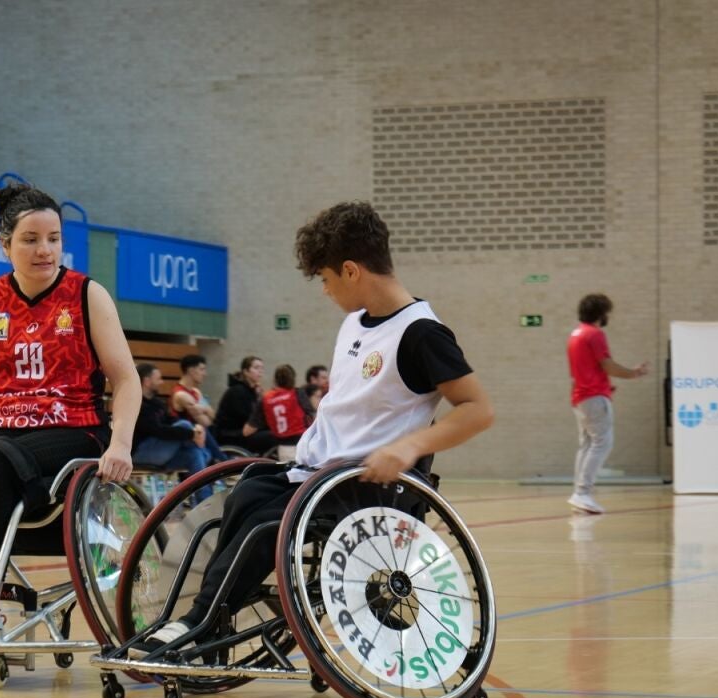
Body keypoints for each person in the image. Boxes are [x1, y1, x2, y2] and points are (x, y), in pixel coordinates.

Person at [131, 200, 494, 655]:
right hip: (316, 473)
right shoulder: (354, 323)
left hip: (365, 483)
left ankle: (198, 621)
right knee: (247, 492)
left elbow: (478, 409)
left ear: (351, 271)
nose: (324, 290)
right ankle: (216, 615)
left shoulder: (421, 333)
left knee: (266, 524)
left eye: (325, 278)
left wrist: (409, 447)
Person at [0, 184, 139, 643]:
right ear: (5, 245)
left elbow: (126, 379)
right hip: (2, 425)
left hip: (73, 426)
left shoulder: (86, 295)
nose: (45, 250)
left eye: (54, 239)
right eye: (31, 239)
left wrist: (121, 443)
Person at [566, 293, 648, 514]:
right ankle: (582, 493)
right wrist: (634, 373)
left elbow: (582, 370)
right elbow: (607, 365)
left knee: (587, 445)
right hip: (593, 396)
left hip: (580, 397)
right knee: (602, 443)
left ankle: (579, 493)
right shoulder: (594, 334)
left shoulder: (575, 335)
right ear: (601, 313)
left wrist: (604, 386)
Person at [133, 363, 209, 476]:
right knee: (185, 425)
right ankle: (210, 455)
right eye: (158, 379)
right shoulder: (137, 404)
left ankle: (205, 487)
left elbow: (172, 420)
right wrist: (191, 434)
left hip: (160, 452)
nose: (162, 382)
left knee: (194, 454)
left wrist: (195, 430)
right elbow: (158, 431)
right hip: (140, 452)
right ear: (147, 381)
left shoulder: (157, 403)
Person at [169, 354, 227, 463]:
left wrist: (203, 409)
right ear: (191, 371)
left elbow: (212, 415)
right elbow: (205, 421)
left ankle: (222, 458)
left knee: (215, 428)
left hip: (200, 436)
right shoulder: (181, 394)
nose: (205, 374)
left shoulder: (196, 392)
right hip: (186, 436)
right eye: (202, 369)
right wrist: (205, 409)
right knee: (203, 428)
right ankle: (223, 459)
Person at [213, 356, 276, 453]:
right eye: (256, 368)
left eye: (262, 368)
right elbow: (250, 418)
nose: (260, 371)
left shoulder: (252, 391)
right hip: (232, 436)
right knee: (275, 436)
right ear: (246, 371)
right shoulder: (237, 391)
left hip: (245, 432)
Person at [243, 364, 313, 447]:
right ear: (293, 379)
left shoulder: (265, 398)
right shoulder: (297, 393)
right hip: (301, 441)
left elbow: (247, 431)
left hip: (282, 444)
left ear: (275, 380)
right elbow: (312, 416)